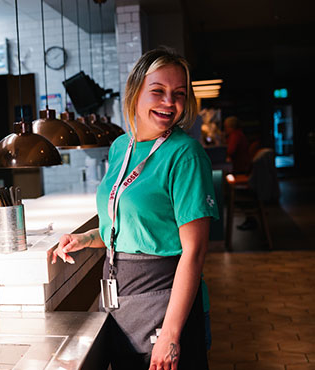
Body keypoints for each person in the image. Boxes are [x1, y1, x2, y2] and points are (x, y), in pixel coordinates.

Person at [52, 47, 218, 370]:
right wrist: (86, 238)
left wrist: (171, 334)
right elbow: (127, 222)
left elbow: (194, 252)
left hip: (166, 308)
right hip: (121, 308)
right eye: (158, 91)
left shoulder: (185, 154)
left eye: (179, 94)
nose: (169, 102)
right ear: (136, 92)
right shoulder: (120, 147)